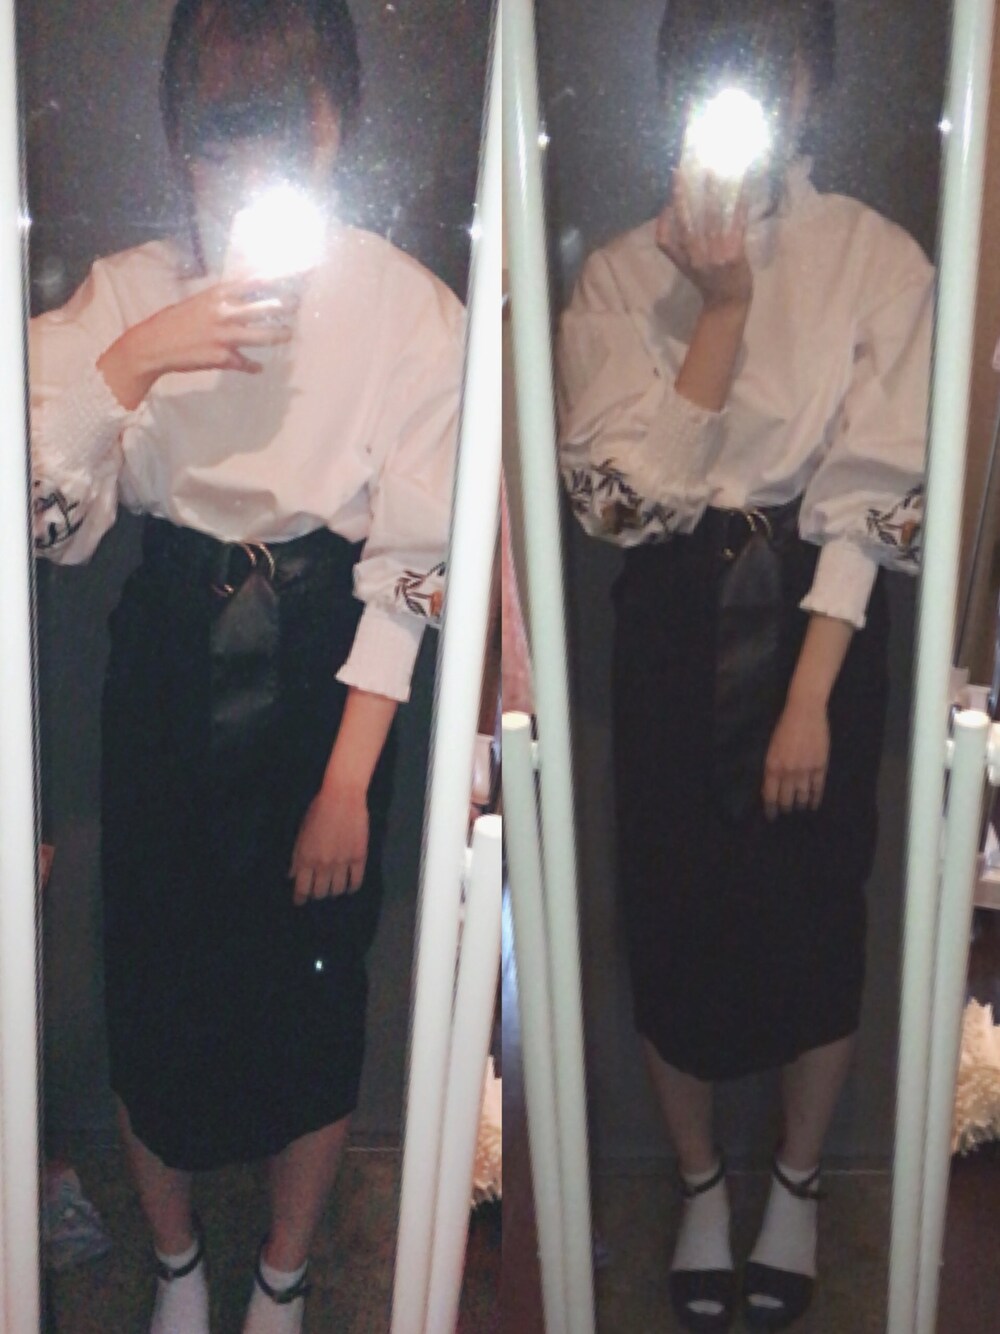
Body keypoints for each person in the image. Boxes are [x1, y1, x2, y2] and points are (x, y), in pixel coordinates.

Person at [30, 3, 463, 1331]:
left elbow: (416, 559)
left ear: (337, 123)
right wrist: (134, 359)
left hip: (328, 665)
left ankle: (283, 1268)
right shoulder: (125, 290)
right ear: (179, 135)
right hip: (169, 647)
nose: (254, 164)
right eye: (224, 133)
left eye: (286, 127)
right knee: (150, 971)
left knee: (314, 984)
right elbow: (44, 522)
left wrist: (348, 778)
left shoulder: (406, 306)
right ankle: (175, 1263)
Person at [556, 2, 931, 1329]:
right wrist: (720, 307)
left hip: (822, 617)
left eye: (780, 65)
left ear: (815, 81)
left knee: (817, 916)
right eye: (725, 66)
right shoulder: (618, 274)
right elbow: (619, 508)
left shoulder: (875, 256)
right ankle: (703, 1184)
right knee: (671, 916)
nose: (757, 93)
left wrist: (812, 695)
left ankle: (799, 1183)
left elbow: (876, 490)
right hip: (672, 615)